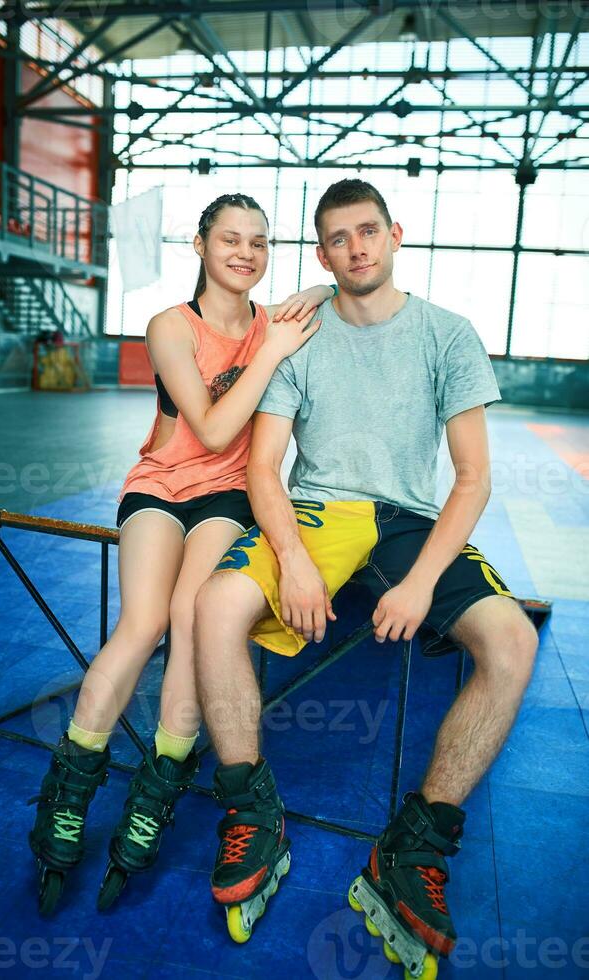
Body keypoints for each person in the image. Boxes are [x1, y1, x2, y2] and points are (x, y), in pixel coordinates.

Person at [193, 178, 538, 958]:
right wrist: (292, 558)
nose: (356, 248)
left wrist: (420, 584)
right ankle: (253, 811)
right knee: (216, 607)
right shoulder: (300, 338)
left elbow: (473, 477)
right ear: (323, 253)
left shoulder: (448, 334)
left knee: (512, 643)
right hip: (320, 513)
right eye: (339, 239)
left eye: (368, 232)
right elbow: (264, 468)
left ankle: (415, 846)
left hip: (412, 521)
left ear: (394, 234)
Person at [27, 191, 334, 916]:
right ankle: (68, 797)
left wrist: (308, 296)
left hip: (230, 497)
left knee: (194, 622)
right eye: (230, 239)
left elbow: (328, 286)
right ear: (199, 245)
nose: (245, 254)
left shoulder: (271, 322)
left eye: (259, 243)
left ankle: (156, 788)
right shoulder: (170, 326)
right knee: (142, 626)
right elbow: (218, 428)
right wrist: (273, 353)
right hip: (162, 486)